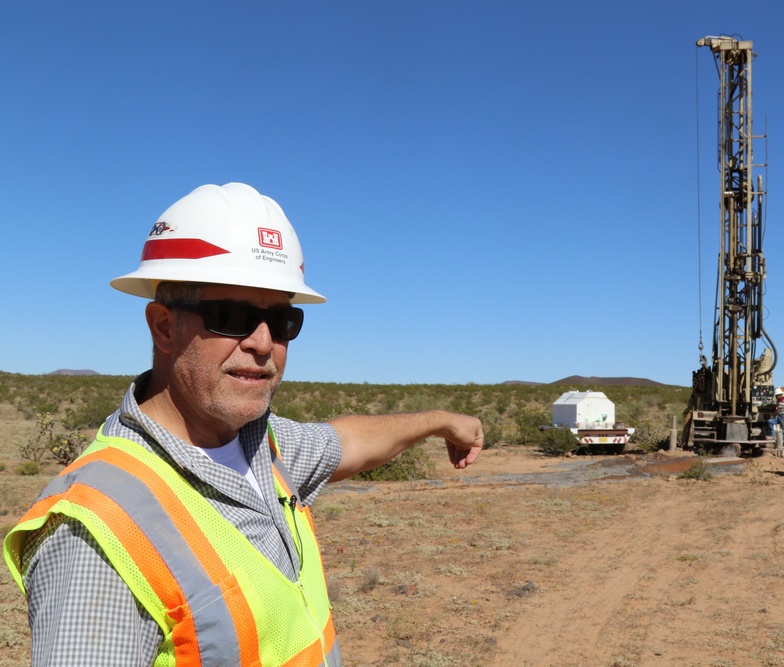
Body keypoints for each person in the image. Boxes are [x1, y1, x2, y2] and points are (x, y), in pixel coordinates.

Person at [3, 183, 484, 666]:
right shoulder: (99, 531)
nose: (262, 342)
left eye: (281, 322)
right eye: (230, 316)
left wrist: (441, 421)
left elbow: (350, 440)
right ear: (164, 327)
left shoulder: (263, 446)